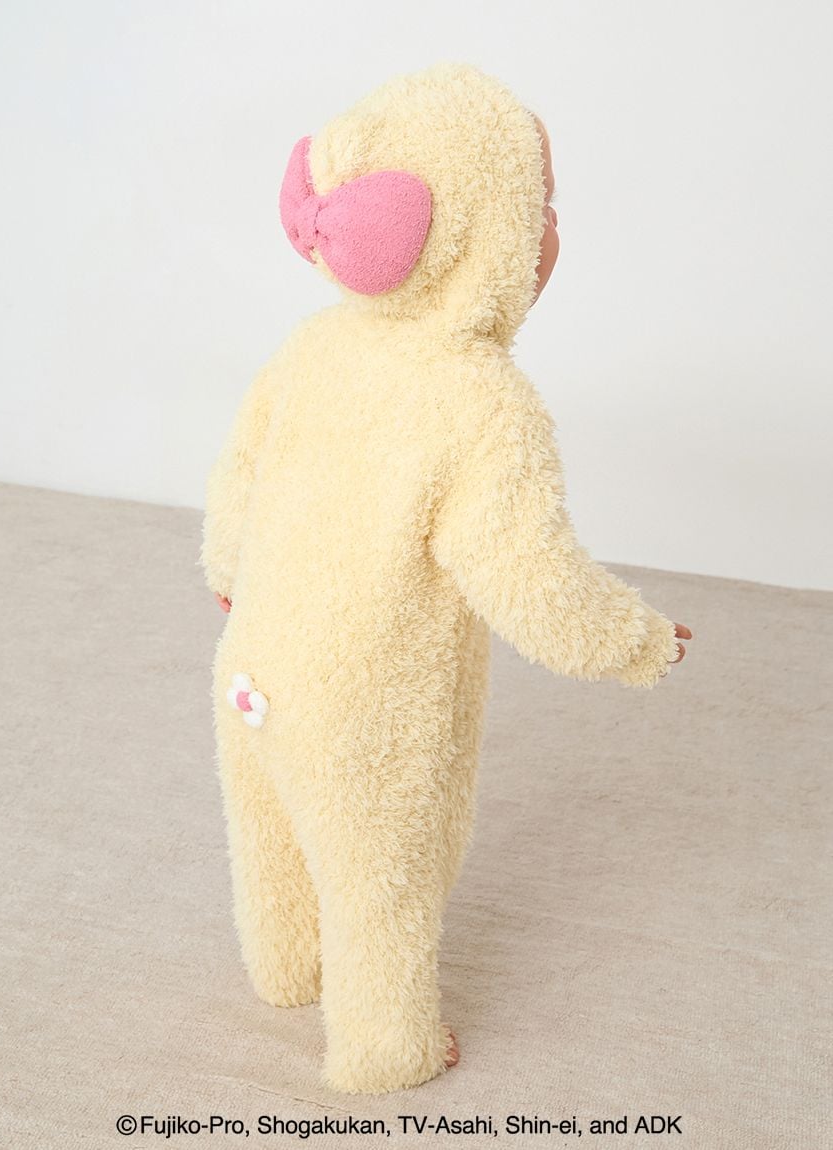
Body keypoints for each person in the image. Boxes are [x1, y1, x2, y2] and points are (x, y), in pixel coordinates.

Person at [201, 61, 692, 1095]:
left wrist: (227, 570)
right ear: (487, 236)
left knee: (272, 831)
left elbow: (243, 469)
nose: (549, 231)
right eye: (539, 208)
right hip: (361, 706)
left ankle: (285, 970)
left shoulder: (312, 347)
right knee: (381, 876)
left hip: (252, 659)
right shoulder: (481, 401)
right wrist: (634, 638)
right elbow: (525, 574)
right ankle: (386, 1049)